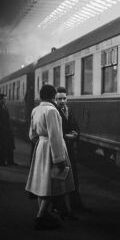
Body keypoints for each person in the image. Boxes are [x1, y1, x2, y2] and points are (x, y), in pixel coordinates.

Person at [25, 84, 75, 230]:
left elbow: (32, 134)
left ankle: (43, 214)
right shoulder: (52, 110)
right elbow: (55, 136)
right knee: (50, 185)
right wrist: (59, 159)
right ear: (53, 96)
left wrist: (41, 143)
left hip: (40, 147)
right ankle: (40, 217)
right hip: (51, 149)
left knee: (42, 184)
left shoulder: (36, 109)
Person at [51, 87, 90, 219]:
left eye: (64, 98)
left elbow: (75, 126)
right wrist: (66, 136)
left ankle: (76, 204)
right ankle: (58, 206)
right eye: (59, 99)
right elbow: (53, 132)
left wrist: (76, 133)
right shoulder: (54, 112)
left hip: (70, 148)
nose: (62, 101)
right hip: (60, 148)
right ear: (55, 100)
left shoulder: (69, 110)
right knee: (60, 177)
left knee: (73, 176)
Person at [0, 94, 16, 166]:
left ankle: (10, 161)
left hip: (7, 130)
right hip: (2, 130)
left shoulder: (4, 106)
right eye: (4, 99)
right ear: (0, 100)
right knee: (2, 147)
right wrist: (2, 128)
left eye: (6, 99)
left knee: (9, 146)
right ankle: (0, 162)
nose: (5, 100)